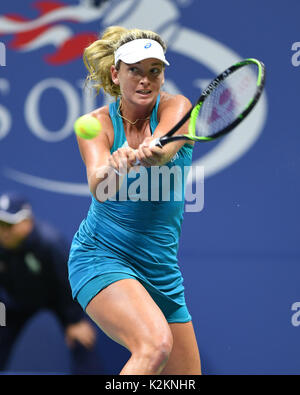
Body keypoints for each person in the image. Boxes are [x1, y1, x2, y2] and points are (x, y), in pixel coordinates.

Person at [68, 26, 201, 375]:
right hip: (101, 256)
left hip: (161, 269)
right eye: (134, 70)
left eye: (154, 71)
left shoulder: (178, 107)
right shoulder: (94, 125)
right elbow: (99, 186)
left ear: (162, 75)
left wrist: (150, 153)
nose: (145, 80)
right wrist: (115, 168)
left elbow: (164, 149)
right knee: (153, 346)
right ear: (116, 73)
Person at [0, 191, 97, 373]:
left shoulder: (50, 243)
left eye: (8, 225)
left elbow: (69, 281)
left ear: (27, 223)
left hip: (58, 302)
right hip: (14, 302)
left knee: (81, 338)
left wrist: (74, 320)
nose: (3, 232)